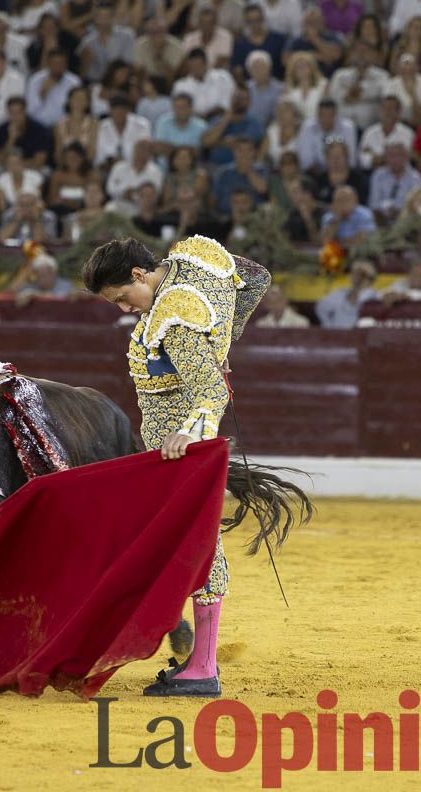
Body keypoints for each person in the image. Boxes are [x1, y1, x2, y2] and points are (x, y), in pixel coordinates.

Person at [81, 235, 271, 697]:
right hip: (179, 440)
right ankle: (194, 655)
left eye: (124, 298)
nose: (125, 310)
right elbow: (256, 278)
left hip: (178, 445)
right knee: (186, 541)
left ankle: (202, 667)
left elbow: (211, 393)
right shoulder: (194, 261)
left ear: (139, 275)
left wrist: (192, 430)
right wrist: (223, 337)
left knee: (197, 543)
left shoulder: (175, 315)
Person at [368, 142, 421, 222]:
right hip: (381, 218)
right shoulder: (378, 176)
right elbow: (374, 203)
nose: (396, 159)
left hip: (406, 219)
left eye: (400, 155)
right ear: (385, 158)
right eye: (392, 156)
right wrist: (386, 210)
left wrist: (398, 211)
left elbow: (416, 203)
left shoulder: (415, 177)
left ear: (406, 157)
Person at [315, 258, 378, 327]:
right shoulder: (339, 293)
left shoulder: (375, 295)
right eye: (354, 273)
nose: (356, 276)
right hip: (337, 334)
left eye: (361, 274)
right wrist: (329, 326)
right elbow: (321, 308)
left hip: (362, 335)